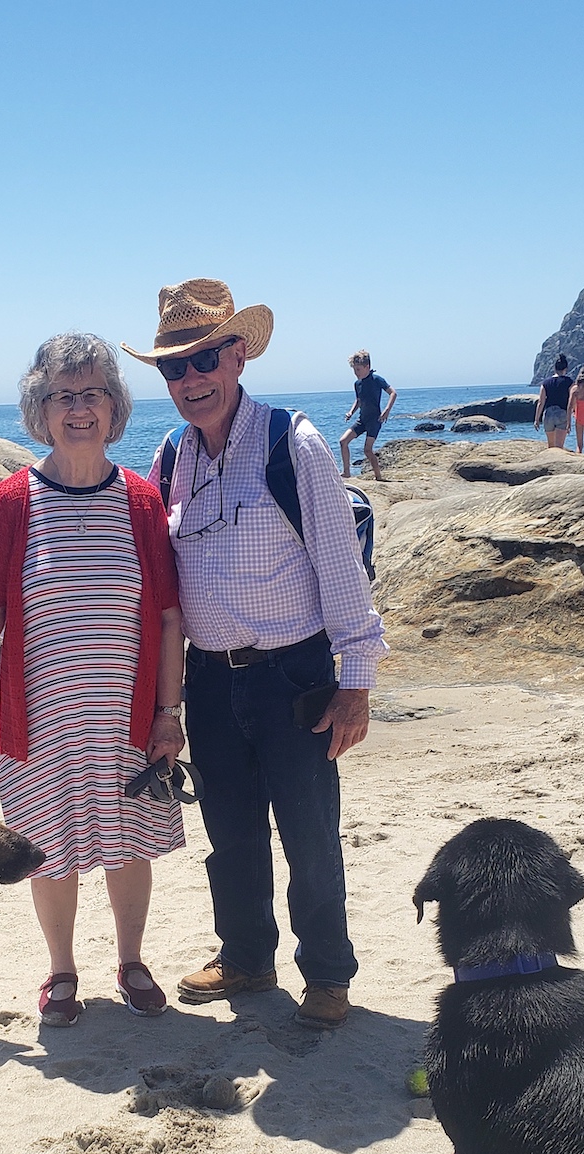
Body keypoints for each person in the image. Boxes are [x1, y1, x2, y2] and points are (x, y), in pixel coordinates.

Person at [123, 279, 388, 1030]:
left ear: (237, 355)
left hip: (291, 677)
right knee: (230, 837)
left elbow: (341, 569)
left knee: (310, 837)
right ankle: (245, 957)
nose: (190, 379)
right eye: (174, 367)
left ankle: (328, 976)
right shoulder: (169, 455)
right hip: (208, 683)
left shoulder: (291, 444)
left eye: (204, 357)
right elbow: (156, 580)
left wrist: (355, 684)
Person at [0, 333, 186, 1028]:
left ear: (114, 408)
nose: (79, 409)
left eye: (93, 394)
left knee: (128, 844)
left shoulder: (141, 501)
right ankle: (60, 971)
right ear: (39, 410)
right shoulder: (10, 502)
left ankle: (132, 961)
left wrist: (168, 713)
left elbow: (169, 620)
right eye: (62, 396)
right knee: (48, 852)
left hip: (127, 719)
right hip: (40, 722)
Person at [339, 350, 395, 481]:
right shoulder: (357, 384)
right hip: (362, 420)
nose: (356, 373)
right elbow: (359, 400)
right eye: (354, 369)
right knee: (343, 441)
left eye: (358, 369)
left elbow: (393, 393)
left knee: (367, 450)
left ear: (367, 367)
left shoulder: (376, 379)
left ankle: (378, 477)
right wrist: (350, 412)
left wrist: (387, 410)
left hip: (374, 420)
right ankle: (346, 472)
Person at [534, 354, 573, 449]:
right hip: (562, 413)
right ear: (566, 368)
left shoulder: (545, 383)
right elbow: (572, 401)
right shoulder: (569, 382)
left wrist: (536, 419)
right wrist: (570, 418)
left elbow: (541, 402)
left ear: (554, 368)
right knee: (559, 447)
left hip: (548, 415)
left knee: (551, 447)